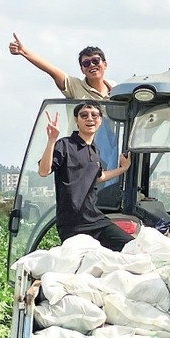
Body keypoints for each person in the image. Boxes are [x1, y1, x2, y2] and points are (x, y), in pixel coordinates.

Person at [9, 33, 119, 173]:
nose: (92, 65)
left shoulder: (116, 90)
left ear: (105, 64)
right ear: (82, 69)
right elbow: (52, 71)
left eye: (95, 61)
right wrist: (23, 51)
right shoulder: (75, 86)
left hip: (108, 153)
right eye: (86, 63)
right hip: (81, 151)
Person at [39, 101, 132, 250]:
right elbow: (44, 171)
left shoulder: (95, 150)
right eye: (84, 115)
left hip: (95, 219)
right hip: (72, 224)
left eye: (94, 115)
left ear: (100, 120)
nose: (90, 118)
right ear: (76, 120)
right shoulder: (65, 145)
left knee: (131, 247)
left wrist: (123, 169)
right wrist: (51, 141)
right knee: (82, 261)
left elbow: (99, 176)